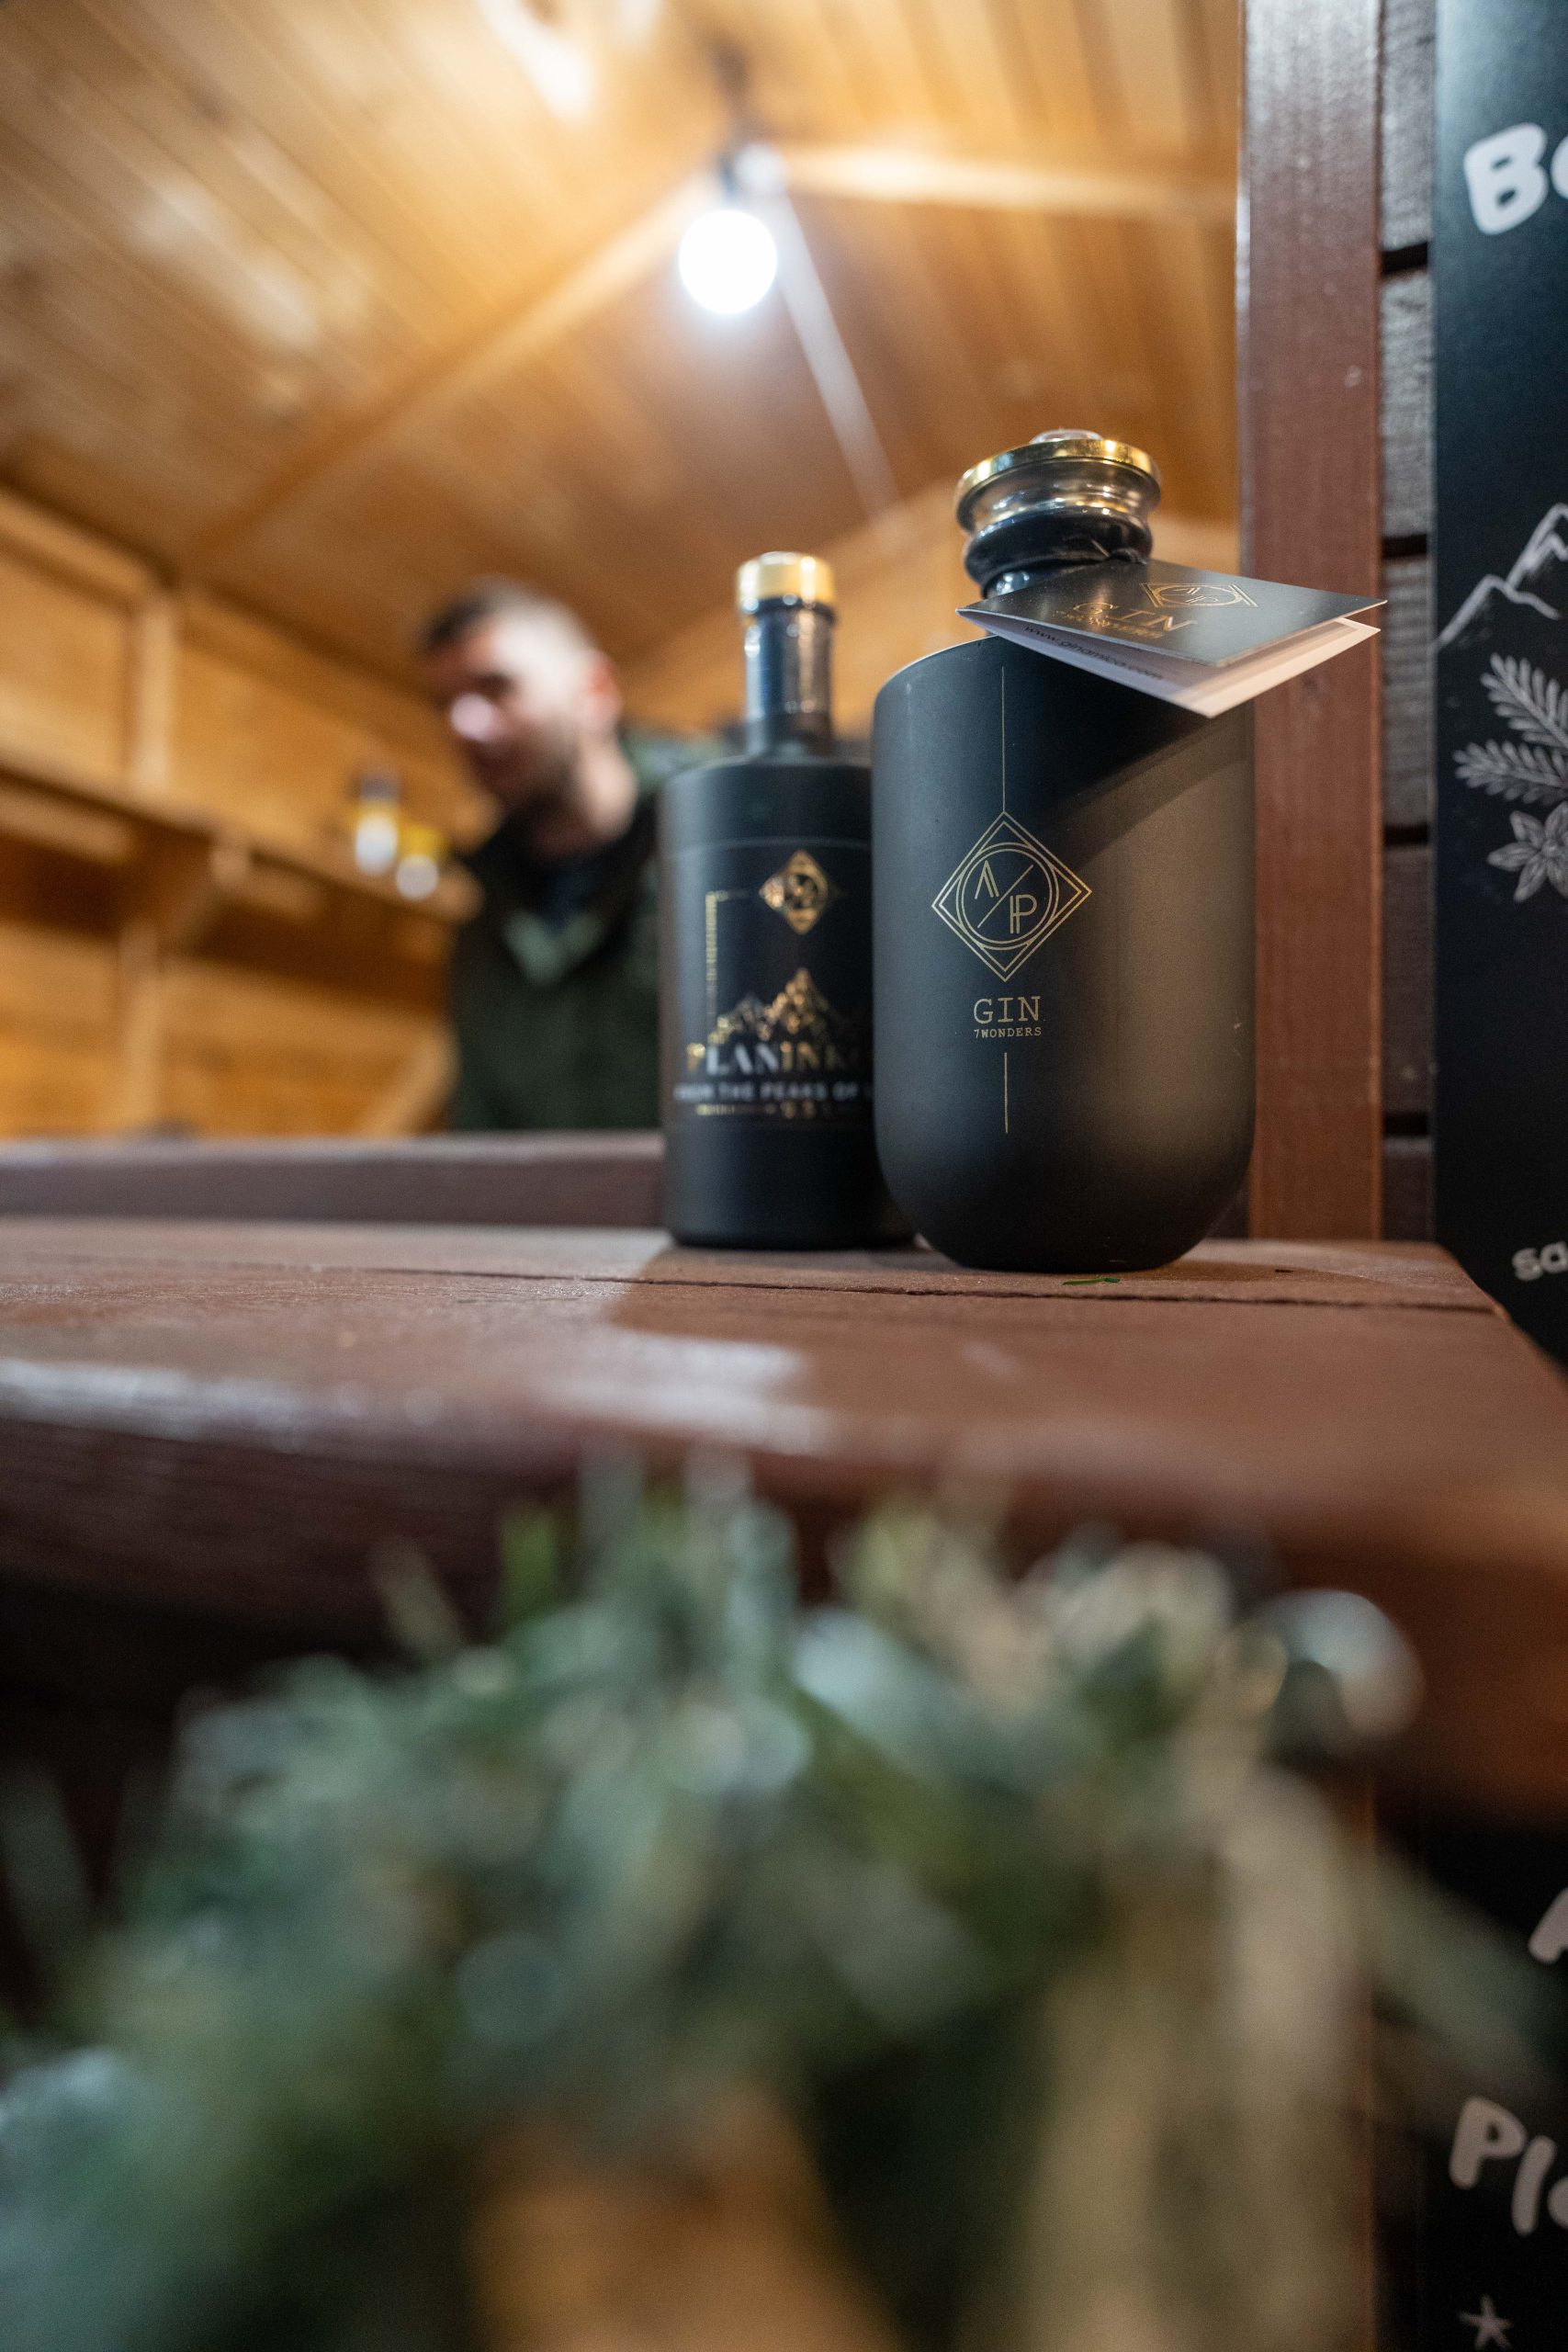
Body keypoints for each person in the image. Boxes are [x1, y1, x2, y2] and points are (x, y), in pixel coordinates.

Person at [420, 581, 705, 1131]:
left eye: (496, 686)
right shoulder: (483, 925)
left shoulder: (726, 857)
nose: (464, 725)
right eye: (446, 704)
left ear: (594, 692)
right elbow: (481, 1136)